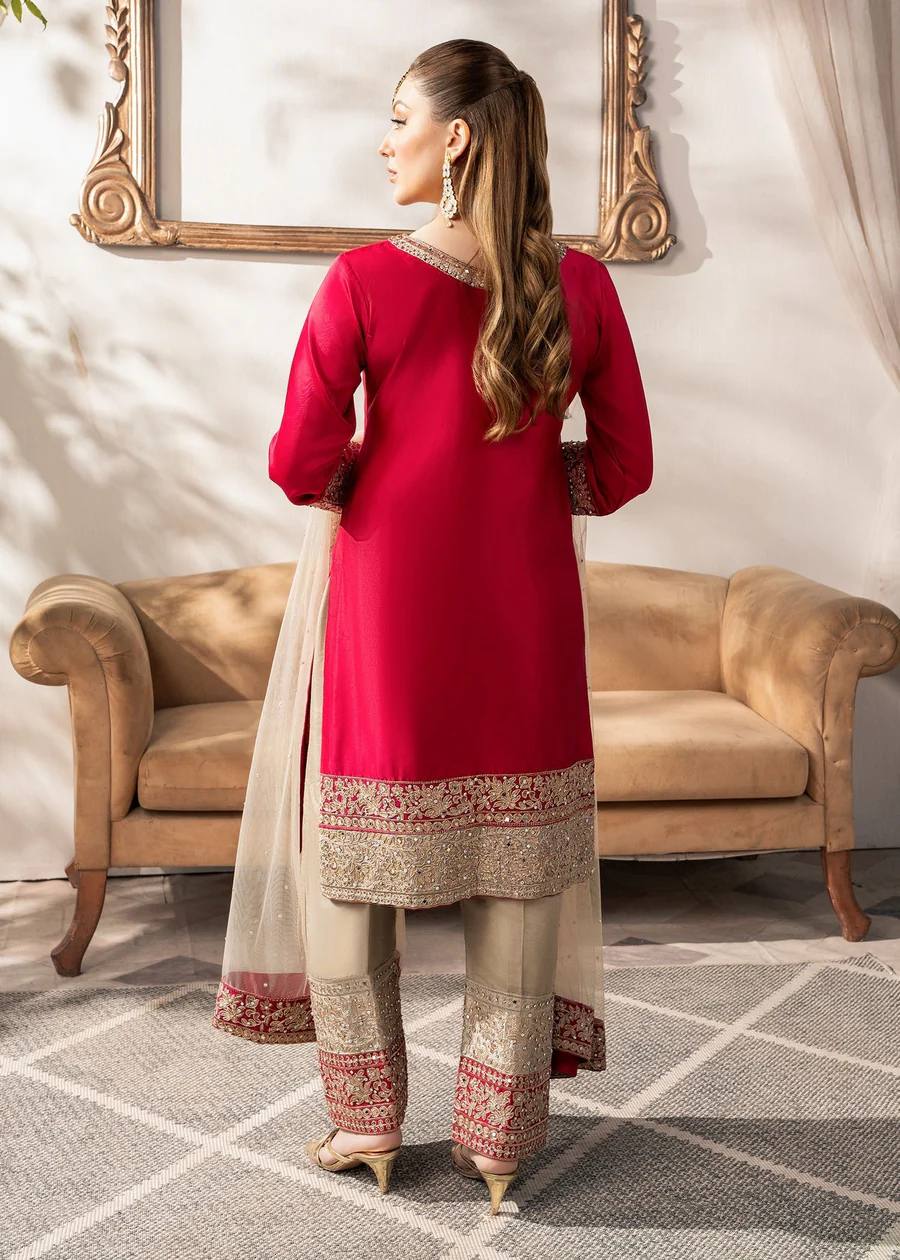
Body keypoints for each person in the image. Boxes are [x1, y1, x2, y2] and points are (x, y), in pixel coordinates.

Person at [212, 37, 653, 1215]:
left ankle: (367, 1125)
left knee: (353, 874)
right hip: (526, 619)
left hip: (388, 618)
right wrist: (528, 491)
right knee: (521, 873)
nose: (384, 139)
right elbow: (626, 467)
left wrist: (376, 472)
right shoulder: (581, 285)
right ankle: (500, 1144)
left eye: (398, 116)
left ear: (455, 137)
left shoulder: (362, 281)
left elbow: (297, 461)